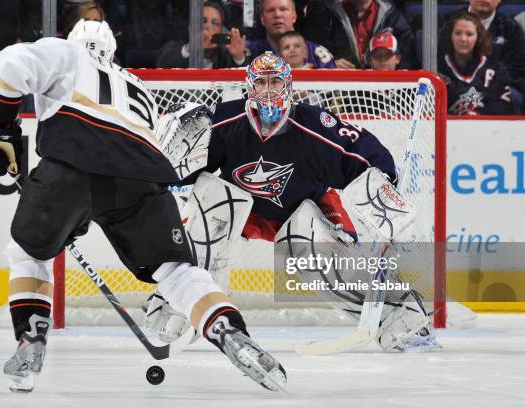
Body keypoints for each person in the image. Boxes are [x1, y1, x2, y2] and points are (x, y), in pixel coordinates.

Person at [0, 19, 286, 393]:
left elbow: (9, 65)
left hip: (73, 161)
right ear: (111, 51)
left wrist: (1, 130)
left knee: (28, 253)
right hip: (142, 175)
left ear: (75, 40)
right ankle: (230, 331)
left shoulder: (64, 51)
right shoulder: (135, 84)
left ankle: (30, 341)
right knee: (177, 271)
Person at [172, 51, 439, 352]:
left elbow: (358, 149)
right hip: (245, 209)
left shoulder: (313, 125)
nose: (269, 90)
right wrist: (166, 166)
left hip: (302, 208)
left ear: (289, 85)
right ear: (250, 87)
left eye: (276, 82)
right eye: (262, 83)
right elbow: (189, 171)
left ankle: (403, 317)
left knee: (317, 259)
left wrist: (385, 178)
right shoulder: (225, 120)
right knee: (208, 205)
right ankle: (184, 307)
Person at [443, 0, 525, 102]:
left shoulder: (511, 28)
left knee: (514, 97)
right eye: (458, 33)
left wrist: (484, 91)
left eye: (469, 34)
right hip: (453, 92)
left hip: (495, 93)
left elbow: (516, 72)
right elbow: (439, 64)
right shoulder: (446, 22)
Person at [438, 11, 517, 115]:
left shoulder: (495, 69)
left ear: (478, 38)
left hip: (488, 129)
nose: (463, 39)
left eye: (469, 34)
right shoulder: (438, 69)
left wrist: (477, 116)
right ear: (450, 36)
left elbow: (503, 107)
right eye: (458, 33)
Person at [300, 0, 413, 69]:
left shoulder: (393, 16)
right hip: (341, 88)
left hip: (383, 88)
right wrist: (330, 63)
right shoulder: (325, 14)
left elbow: (406, 59)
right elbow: (313, 52)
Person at [246, 0, 336, 69]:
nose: (277, 15)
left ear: (294, 16)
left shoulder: (318, 54)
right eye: (271, 10)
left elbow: (335, 91)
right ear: (262, 19)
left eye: (283, 9)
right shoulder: (249, 53)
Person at [156, 1, 247, 68]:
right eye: (203, 21)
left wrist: (239, 57)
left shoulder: (226, 55)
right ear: (191, 27)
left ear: (220, 30)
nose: (208, 26)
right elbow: (163, 64)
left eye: (215, 23)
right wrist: (190, 47)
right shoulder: (173, 48)